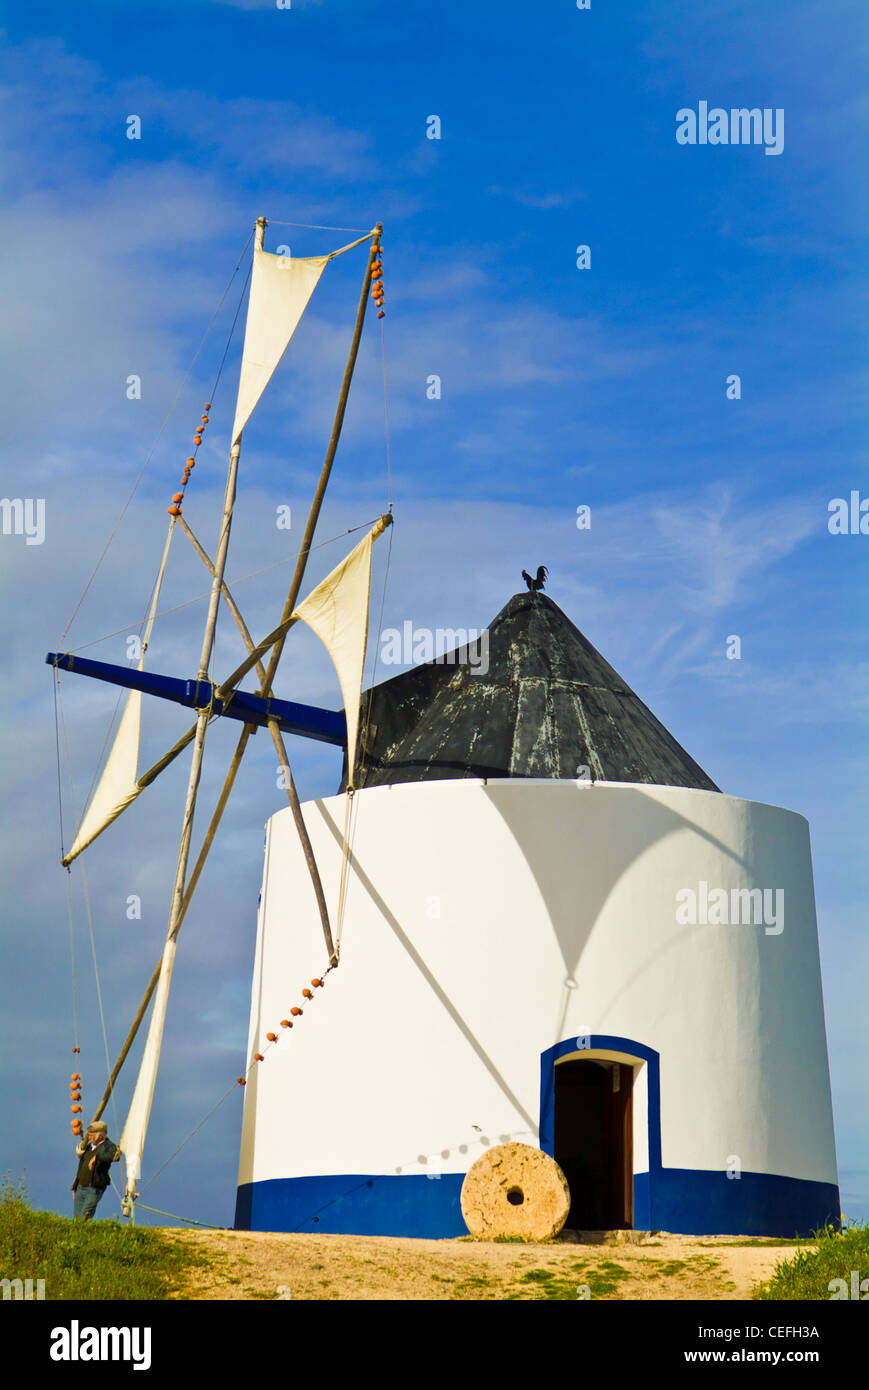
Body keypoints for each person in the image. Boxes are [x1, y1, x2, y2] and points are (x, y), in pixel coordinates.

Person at [71, 1120, 120, 1221]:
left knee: (85, 1216)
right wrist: (75, 1185)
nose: (89, 1137)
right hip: (81, 1186)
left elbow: (115, 1156)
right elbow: (81, 1166)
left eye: (92, 1135)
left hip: (94, 1188)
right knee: (76, 1217)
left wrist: (97, 1157)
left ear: (100, 1136)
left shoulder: (109, 1146)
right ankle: (78, 1234)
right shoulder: (89, 1146)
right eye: (89, 1135)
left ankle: (84, 1233)